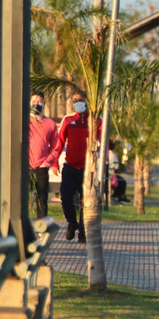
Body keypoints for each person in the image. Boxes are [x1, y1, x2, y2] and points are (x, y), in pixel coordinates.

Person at [53, 94, 102, 243]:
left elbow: (102, 141)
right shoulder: (68, 120)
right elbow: (59, 142)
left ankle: (83, 231)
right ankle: (72, 222)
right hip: (70, 167)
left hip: (88, 168)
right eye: (75, 101)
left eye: (80, 100)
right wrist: (55, 162)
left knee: (85, 201)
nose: (78, 103)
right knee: (65, 197)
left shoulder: (95, 121)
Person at [29, 92, 60, 219]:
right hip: (25, 167)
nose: (37, 103)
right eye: (34, 101)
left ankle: (41, 228)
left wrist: (46, 163)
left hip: (41, 167)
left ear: (44, 104)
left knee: (42, 199)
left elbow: (55, 147)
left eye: (40, 101)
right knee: (19, 199)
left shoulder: (50, 124)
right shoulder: (24, 121)